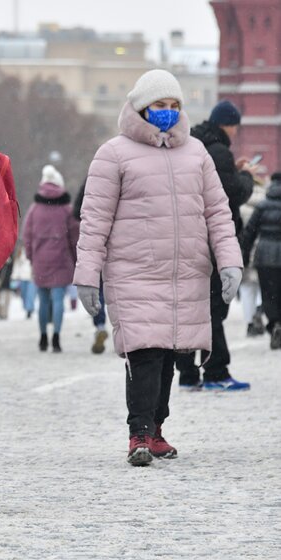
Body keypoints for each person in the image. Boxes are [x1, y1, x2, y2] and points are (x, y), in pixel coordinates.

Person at [73, 69, 243, 466]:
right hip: (134, 271)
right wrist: (87, 276)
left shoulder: (197, 154)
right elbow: (94, 220)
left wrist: (230, 261)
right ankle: (140, 431)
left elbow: (218, 213)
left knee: (169, 354)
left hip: (185, 273)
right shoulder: (113, 154)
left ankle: (157, 429)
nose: (167, 111)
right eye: (159, 105)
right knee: (144, 351)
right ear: (140, 107)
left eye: (173, 105)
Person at [174, 100, 255, 391]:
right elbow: (231, 193)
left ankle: (187, 373)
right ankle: (216, 371)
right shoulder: (219, 151)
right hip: (212, 242)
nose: (235, 132)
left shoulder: (194, 145)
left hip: (190, 238)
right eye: (235, 126)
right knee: (213, 310)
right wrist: (246, 176)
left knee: (190, 308)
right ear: (227, 125)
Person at [22, 164, 79, 353]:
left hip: (40, 261)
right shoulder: (66, 209)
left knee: (43, 301)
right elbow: (74, 236)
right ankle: (56, 337)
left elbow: (27, 235)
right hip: (61, 260)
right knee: (58, 300)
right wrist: (76, 259)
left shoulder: (35, 209)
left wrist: (31, 256)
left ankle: (42, 337)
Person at [241, 172, 281, 349]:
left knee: (269, 294)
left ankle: (274, 323)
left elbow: (249, 233)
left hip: (265, 257)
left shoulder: (262, 206)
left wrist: (244, 256)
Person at [73, 179, 109, 354]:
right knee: (123, 291)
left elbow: (76, 212)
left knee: (98, 290)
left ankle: (100, 324)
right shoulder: (126, 174)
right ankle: (126, 333)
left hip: (96, 241)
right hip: (120, 244)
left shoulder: (90, 183)